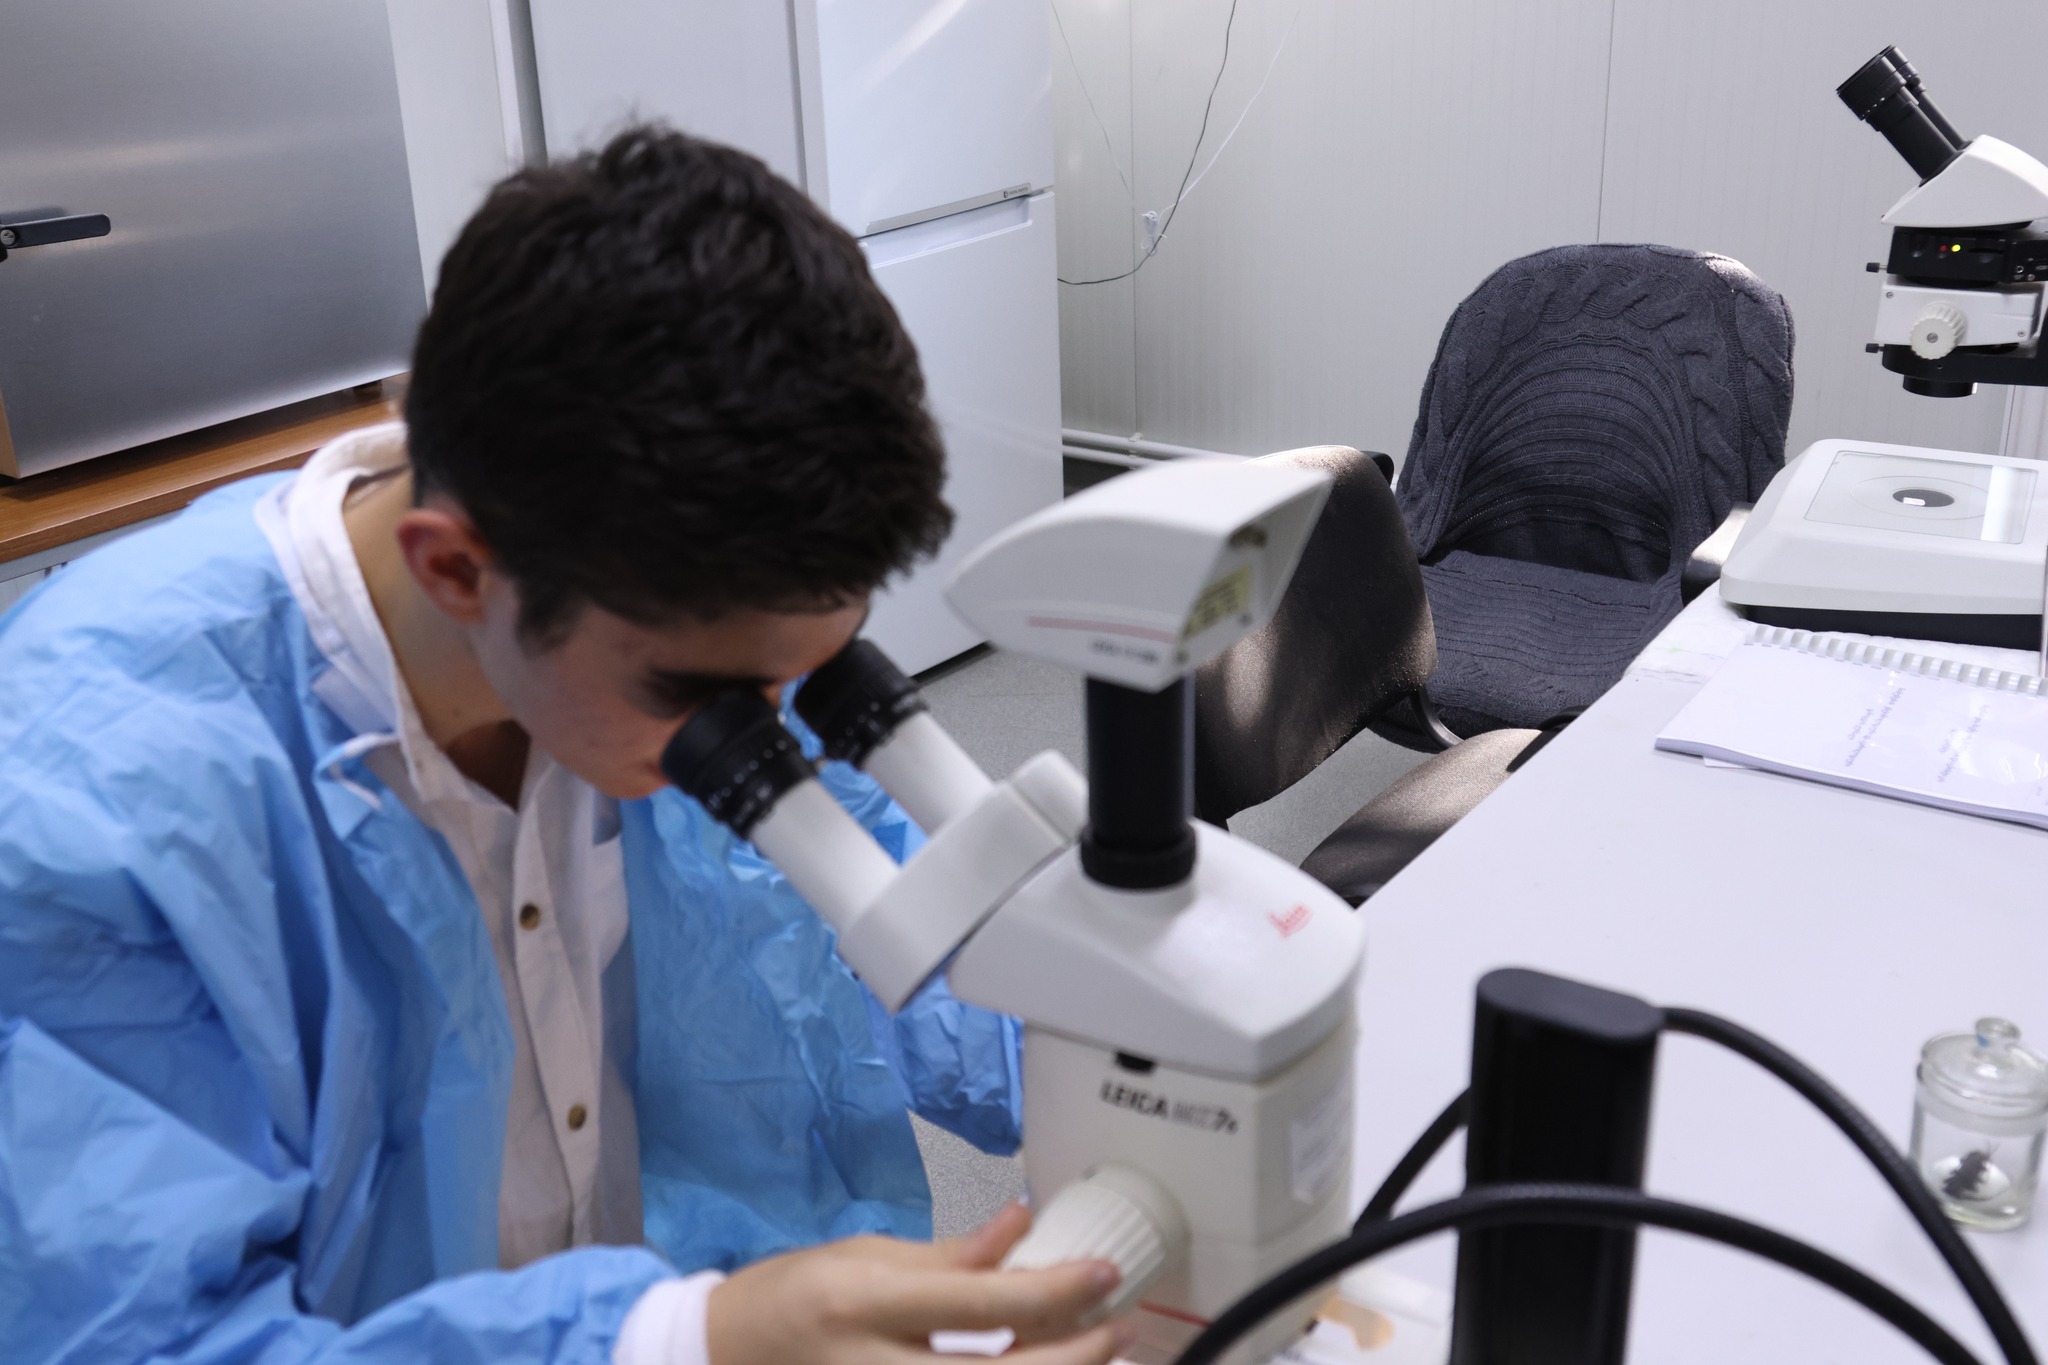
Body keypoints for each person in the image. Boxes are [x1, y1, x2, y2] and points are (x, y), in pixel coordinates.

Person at [0, 128, 1121, 1365]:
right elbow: (130, 1339)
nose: (771, 733)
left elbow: (950, 972)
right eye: (718, 697)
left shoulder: (675, 605)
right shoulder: (81, 808)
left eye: (812, 666)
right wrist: (680, 1341)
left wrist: (1138, 1037)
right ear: (457, 570)